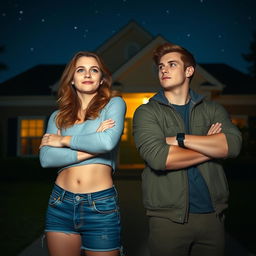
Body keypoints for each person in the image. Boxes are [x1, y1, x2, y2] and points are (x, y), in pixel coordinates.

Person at [133, 43, 242, 256]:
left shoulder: (212, 109)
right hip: (168, 220)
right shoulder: (147, 112)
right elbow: (160, 158)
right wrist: (210, 145)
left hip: (212, 217)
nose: (163, 70)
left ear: (189, 71)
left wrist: (180, 139)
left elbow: (233, 145)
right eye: (161, 66)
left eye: (172, 64)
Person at [39, 51, 126, 256]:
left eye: (94, 70)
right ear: (72, 79)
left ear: (102, 79)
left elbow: (106, 142)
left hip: (100, 205)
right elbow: (46, 158)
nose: (87, 74)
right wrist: (93, 143)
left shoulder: (114, 104)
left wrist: (62, 141)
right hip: (60, 203)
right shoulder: (58, 117)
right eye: (80, 70)